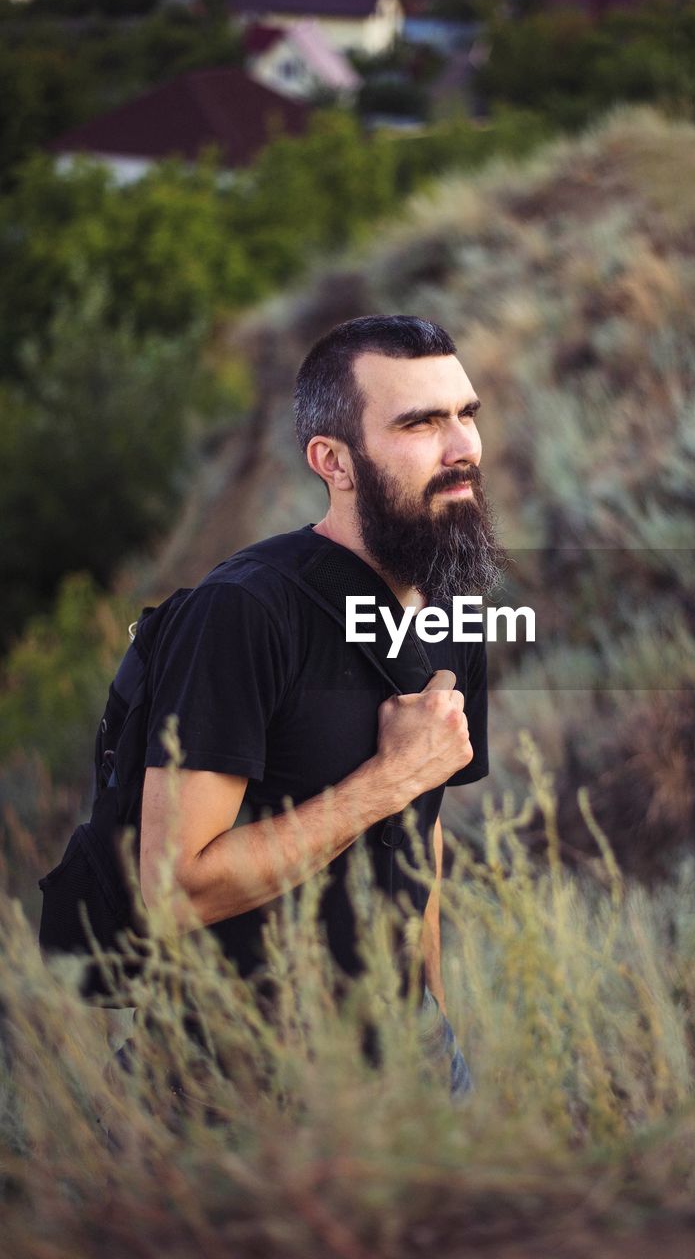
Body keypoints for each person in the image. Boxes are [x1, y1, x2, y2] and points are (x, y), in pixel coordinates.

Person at [118, 314, 505, 1104]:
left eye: (465, 414)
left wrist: (431, 1014)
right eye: (421, 422)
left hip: (408, 1049)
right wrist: (388, 778)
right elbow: (174, 888)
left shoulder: (453, 604)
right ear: (334, 462)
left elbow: (417, 838)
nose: (463, 446)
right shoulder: (243, 614)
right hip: (231, 1068)